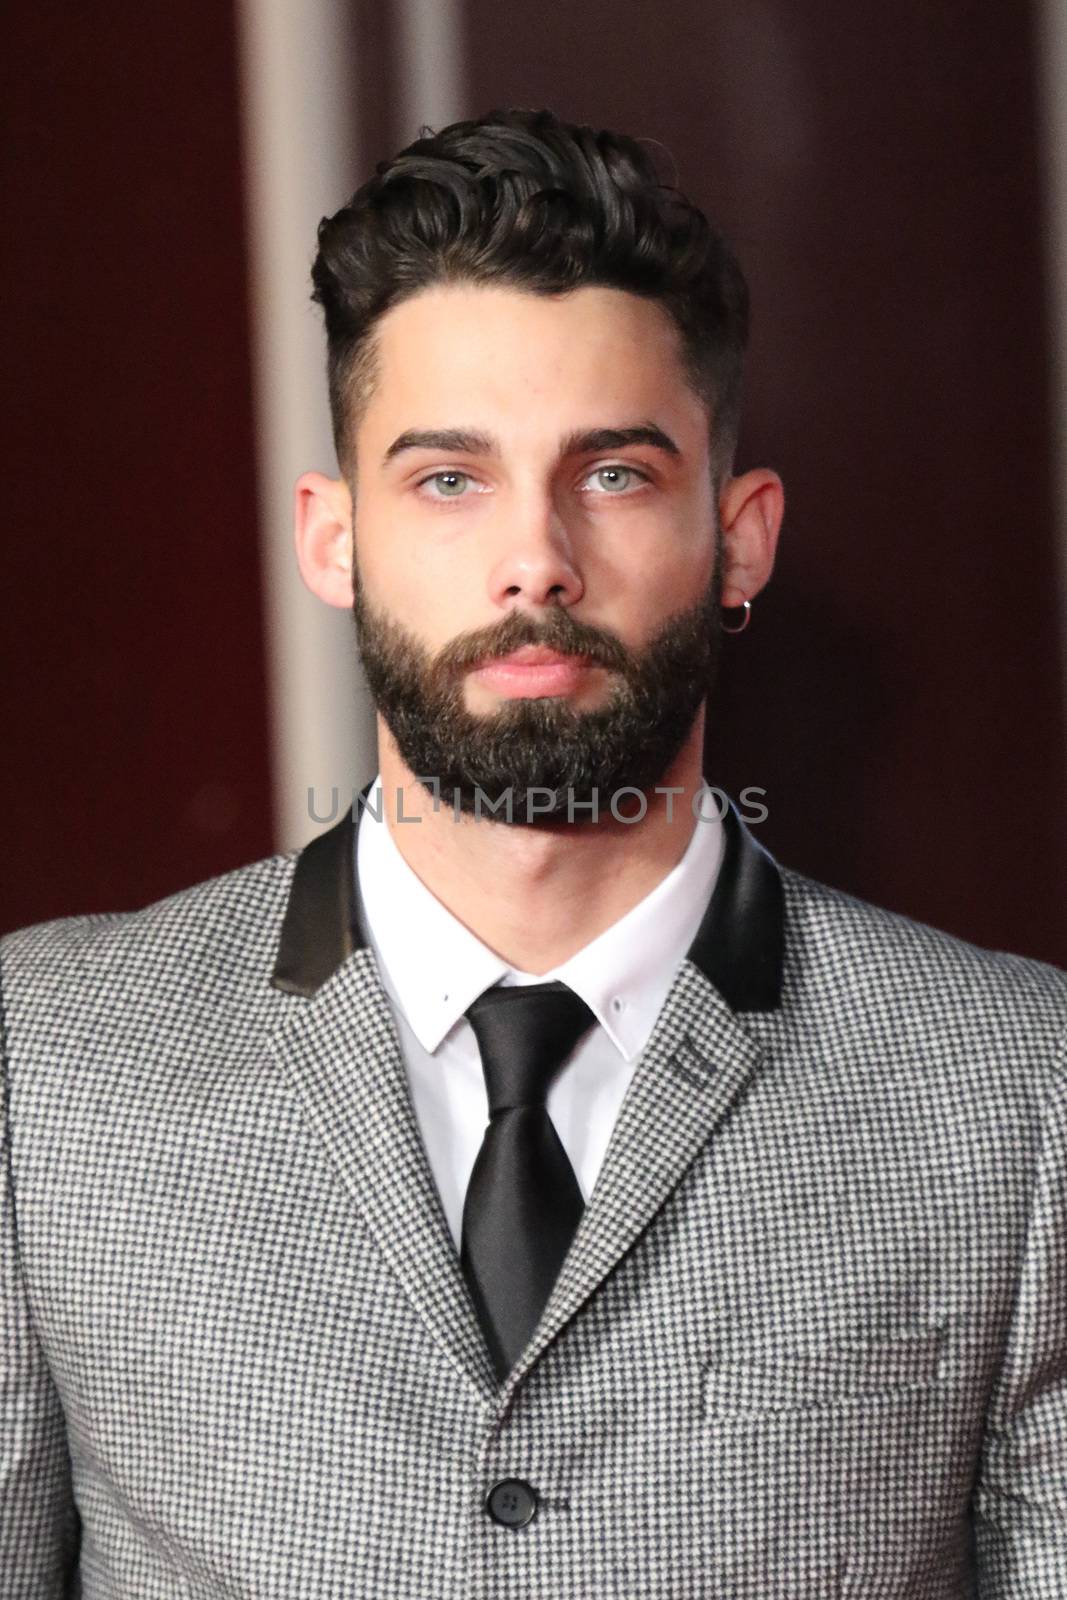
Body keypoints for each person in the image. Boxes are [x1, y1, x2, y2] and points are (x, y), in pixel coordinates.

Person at [2, 106, 1064, 1600]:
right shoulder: (41, 1071)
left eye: (615, 474)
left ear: (741, 535)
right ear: (333, 537)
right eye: (449, 479)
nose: (535, 560)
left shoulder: (1018, 1095)